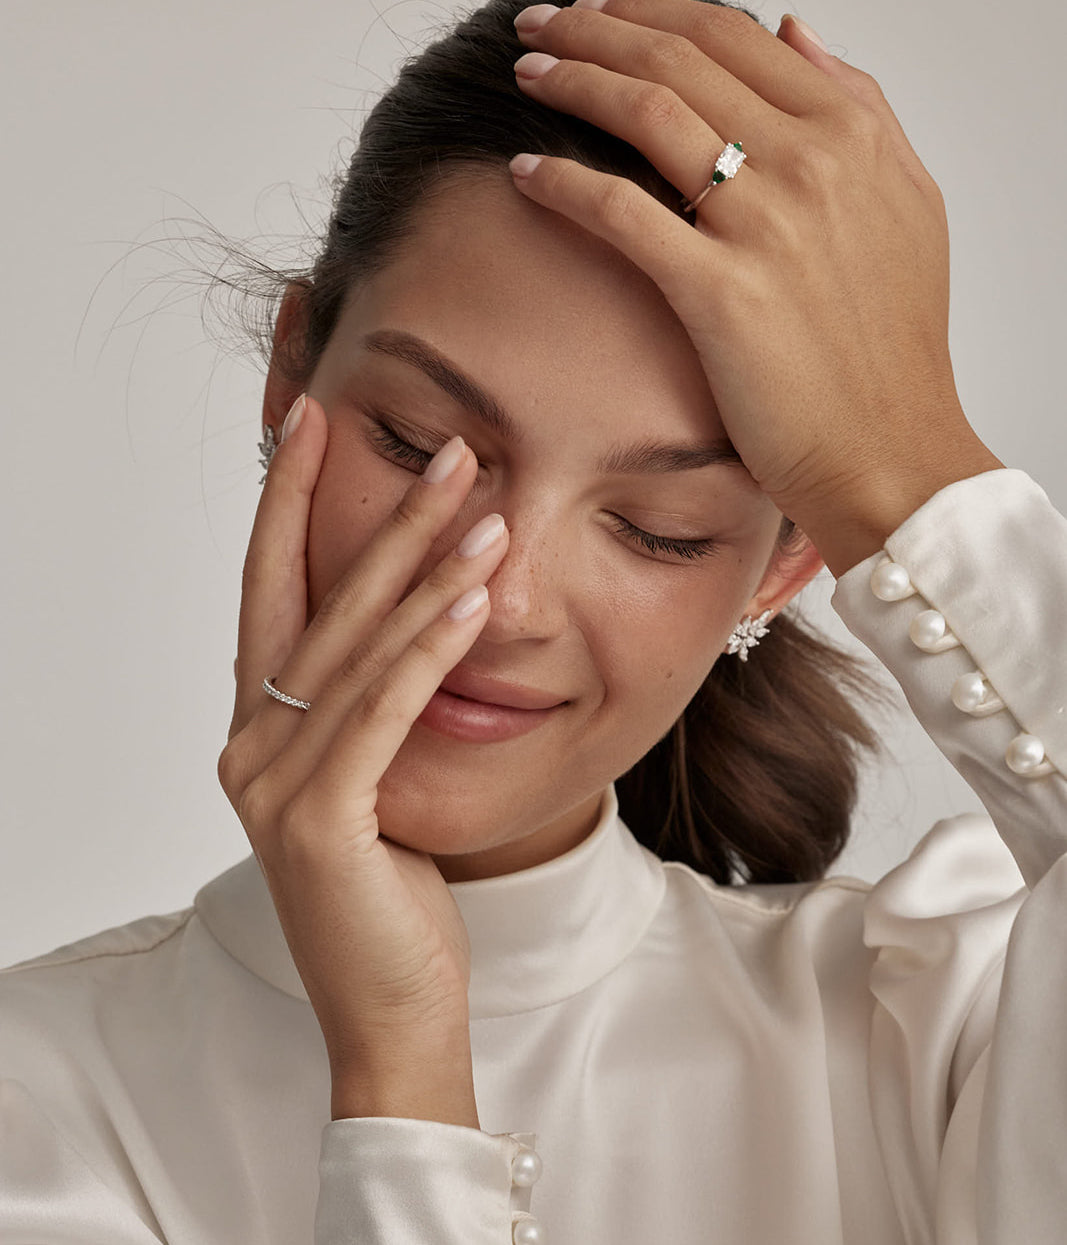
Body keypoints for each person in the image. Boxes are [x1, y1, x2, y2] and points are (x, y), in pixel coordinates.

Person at [1, 0, 1064, 1240]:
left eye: (659, 527)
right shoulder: (36, 1102)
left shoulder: (938, 1036)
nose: (499, 603)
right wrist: (393, 1063)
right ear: (291, 380)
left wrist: (905, 473)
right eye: (420, 447)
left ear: (782, 571)